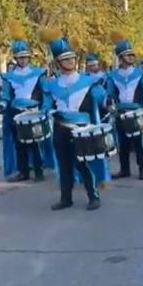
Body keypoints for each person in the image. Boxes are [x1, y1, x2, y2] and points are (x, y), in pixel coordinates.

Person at [42, 34, 109, 210]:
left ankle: (93, 196)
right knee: (64, 166)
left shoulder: (88, 81)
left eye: (72, 58)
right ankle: (66, 198)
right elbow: (47, 104)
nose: (70, 61)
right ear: (58, 62)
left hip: (81, 129)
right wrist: (46, 111)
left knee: (83, 164)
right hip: (60, 128)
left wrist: (107, 102)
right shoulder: (51, 84)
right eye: (65, 59)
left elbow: (101, 97)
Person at [0, 26, 52, 182]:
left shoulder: (38, 73)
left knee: (35, 143)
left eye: (25, 57)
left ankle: (39, 171)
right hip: (16, 113)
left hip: (33, 111)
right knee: (19, 143)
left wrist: (45, 109)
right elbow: (6, 93)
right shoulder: (10, 76)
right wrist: (2, 102)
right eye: (20, 57)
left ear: (29, 57)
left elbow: (46, 93)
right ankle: (23, 172)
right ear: (15, 58)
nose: (23, 60)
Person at [107, 36, 143, 179]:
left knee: (138, 142)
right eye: (128, 55)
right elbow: (110, 94)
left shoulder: (141, 73)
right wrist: (111, 105)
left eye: (132, 54)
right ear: (121, 57)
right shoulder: (113, 75)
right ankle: (124, 169)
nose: (131, 57)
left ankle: (142, 168)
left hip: (136, 111)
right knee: (123, 143)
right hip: (121, 112)